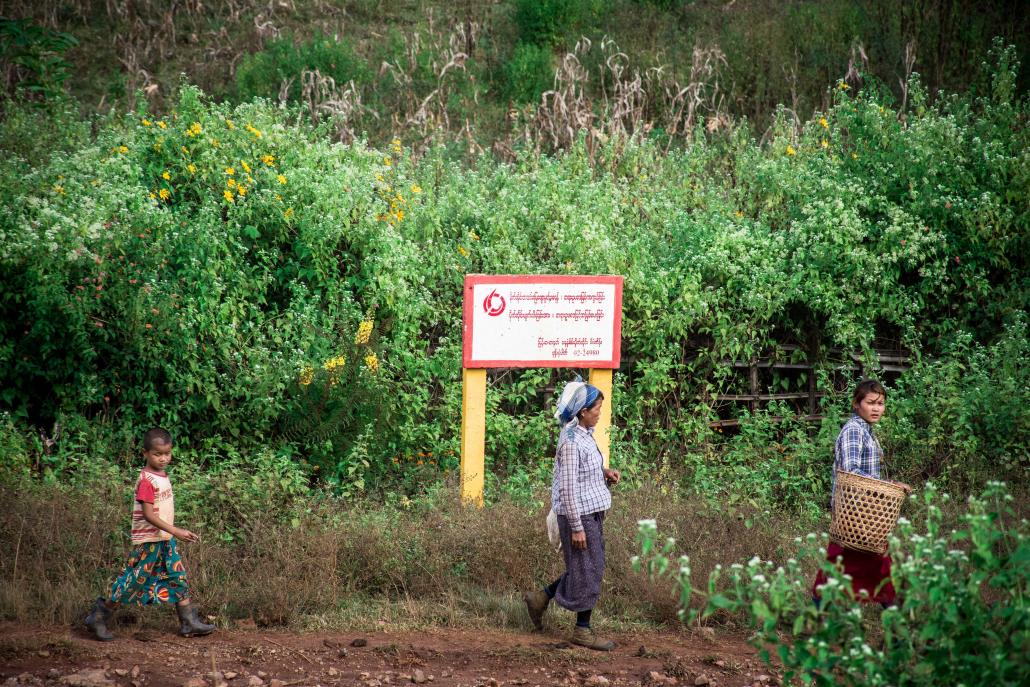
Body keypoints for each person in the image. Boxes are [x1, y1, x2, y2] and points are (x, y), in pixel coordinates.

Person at [85, 427, 215, 640]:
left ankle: (188, 622)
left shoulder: (162, 475)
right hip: (149, 541)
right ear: (145, 453)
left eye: (167, 453)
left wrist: (172, 534)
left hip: (164, 539)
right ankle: (98, 617)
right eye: (157, 454)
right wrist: (176, 530)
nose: (163, 458)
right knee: (133, 581)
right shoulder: (146, 480)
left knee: (177, 576)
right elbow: (148, 515)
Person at [524, 380, 621, 650]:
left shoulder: (583, 433)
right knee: (589, 569)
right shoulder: (570, 441)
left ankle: (540, 598)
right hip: (579, 516)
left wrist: (604, 473)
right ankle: (581, 630)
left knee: (588, 567)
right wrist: (577, 527)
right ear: (582, 411)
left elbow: (580, 471)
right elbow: (567, 488)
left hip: (590, 513)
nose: (600, 413)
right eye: (597, 409)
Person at [812, 380, 910, 606]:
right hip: (855, 512)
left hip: (864, 512)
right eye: (871, 403)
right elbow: (851, 472)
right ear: (856, 404)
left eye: (881, 403)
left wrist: (888, 485)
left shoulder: (866, 430)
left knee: (844, 564)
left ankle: (818, 617)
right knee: (878, 565)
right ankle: (895, 627)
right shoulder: (855, 431)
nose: (876, 408)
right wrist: (888, 487)